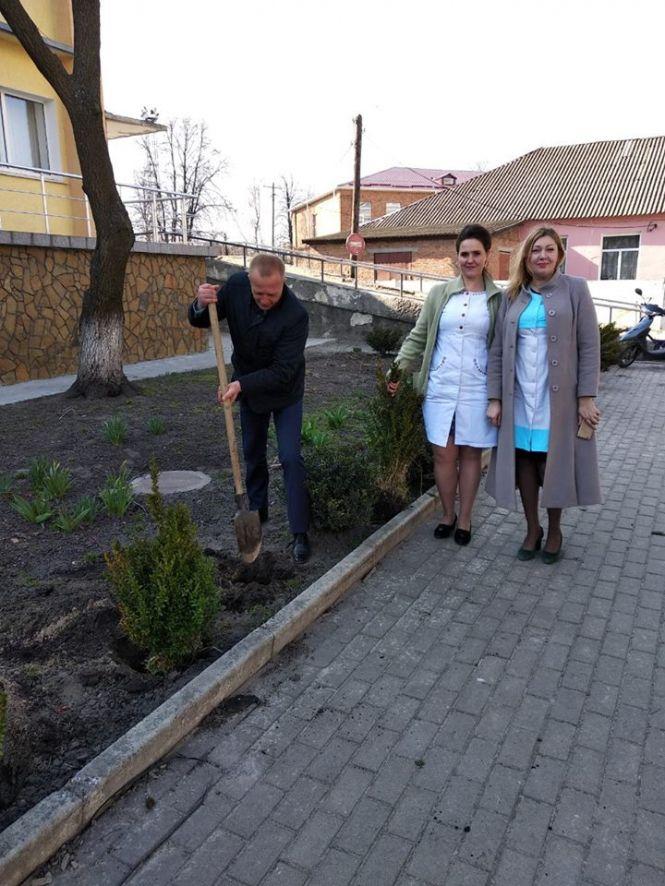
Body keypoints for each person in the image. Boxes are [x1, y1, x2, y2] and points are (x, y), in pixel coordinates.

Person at [486, 226, 601, 563]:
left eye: (549, 249)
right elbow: (496, 351)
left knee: (553, 462)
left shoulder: (575, 289)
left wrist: (586, 397)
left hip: (558, 399)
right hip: (521, 395)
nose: (542, 256)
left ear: (559, 255)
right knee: (524, 458)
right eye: (536, 250)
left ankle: (554, 530)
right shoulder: (512, 296)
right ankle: (531, 528)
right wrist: (495, 398)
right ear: (526, 256)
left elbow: (590, 346)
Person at [189, 254, 311, 564]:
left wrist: (240, 385)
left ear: (282, 281)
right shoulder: (237, 286)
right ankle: (258, 512)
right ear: (251, 282)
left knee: (290, 457)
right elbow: (202, 319)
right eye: (259, 293)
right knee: (252, 453)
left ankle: (300, 531)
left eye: (272, 293)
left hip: (285, 393)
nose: (266, 299)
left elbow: (283, 370)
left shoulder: (296, 315)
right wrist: (201, 304)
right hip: (247, 387)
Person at [388, 224, 502, 545]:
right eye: (463, 253)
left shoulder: (498, 299)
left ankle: (465, 518)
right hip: (440, 386)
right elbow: (420, 336)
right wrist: (397, 370)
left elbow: (502, 350)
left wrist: (499, 397)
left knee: (470, 456)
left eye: (476, 253)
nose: (469, 259)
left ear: (486, 255)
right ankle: (447, 514)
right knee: (443, 455)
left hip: (478, 390)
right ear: (457, 256)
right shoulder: (440, 294)